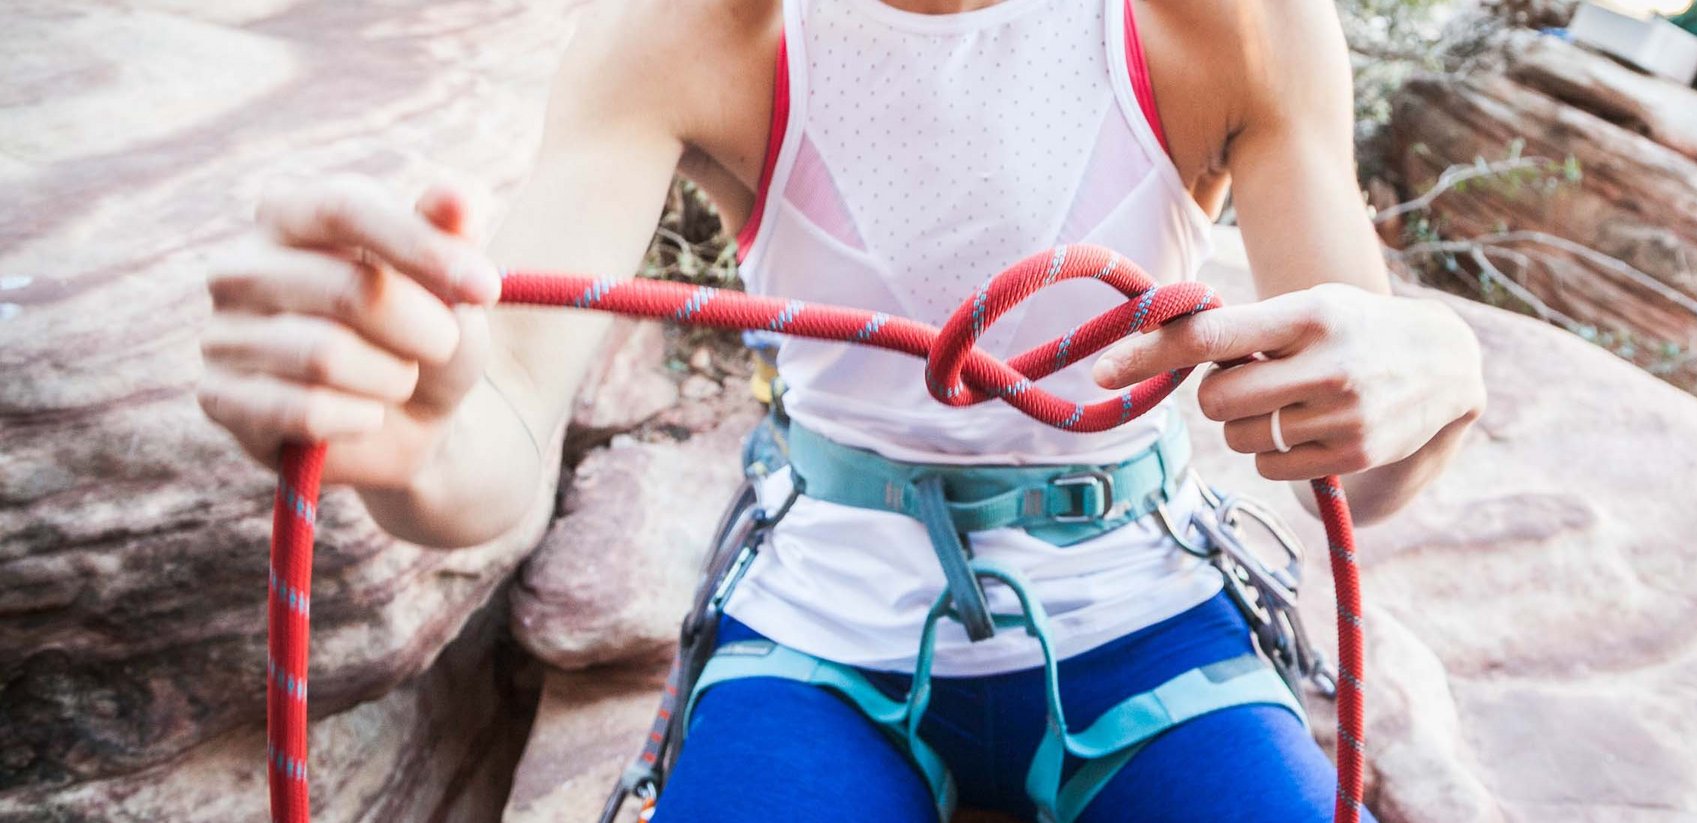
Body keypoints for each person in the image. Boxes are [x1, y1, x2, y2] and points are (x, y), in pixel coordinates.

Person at [198, 0, 1485, 819]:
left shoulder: (1230, 22)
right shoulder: (690, 30)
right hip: (822, 646)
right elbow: (502, 438)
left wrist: (1439, 373)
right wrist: (411, 439)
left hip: (1142, 614)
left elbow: (1358, 463)